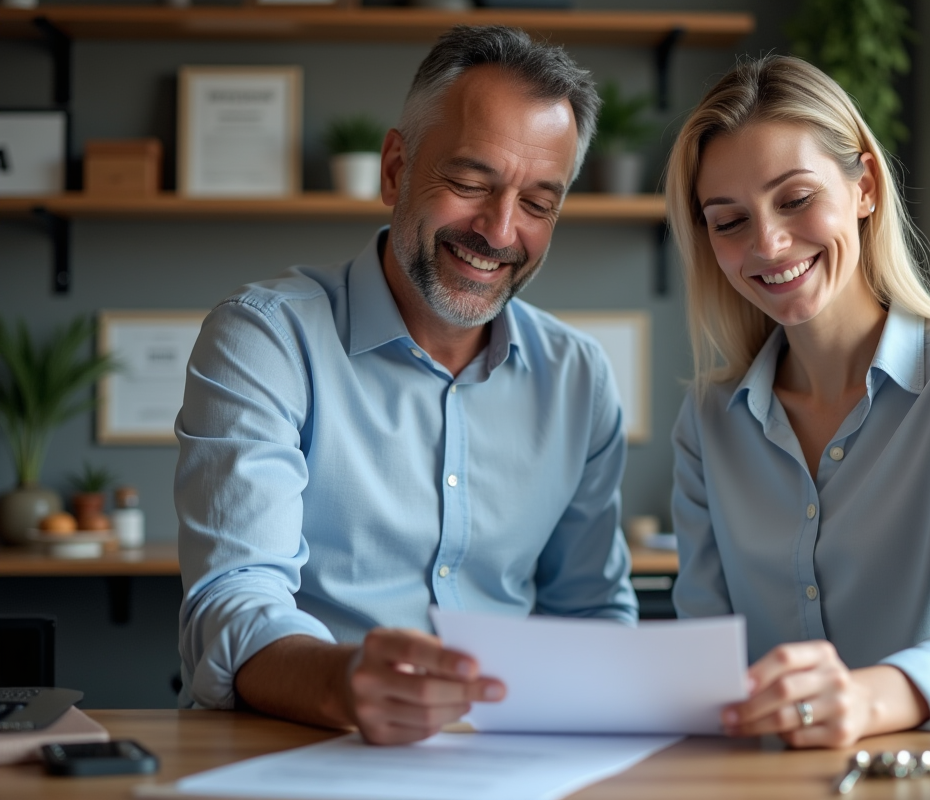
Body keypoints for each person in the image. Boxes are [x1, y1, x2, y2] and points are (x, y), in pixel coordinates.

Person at [175, 25, 638, 745]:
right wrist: (345, 683)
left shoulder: (578, 377)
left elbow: (592, 616)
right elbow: (234, 601)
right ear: (395, 169)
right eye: (470, 183)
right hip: (302, 748)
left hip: (511, 761)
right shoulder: (265, 339)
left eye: (538, 204)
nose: (500, 231)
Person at [663, 55, 930, 749]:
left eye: (794, 199)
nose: (768, 243)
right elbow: (705, 659)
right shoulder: (707, 421)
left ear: (864, 187)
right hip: (780, 778)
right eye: (729, 221)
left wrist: (866, 699)